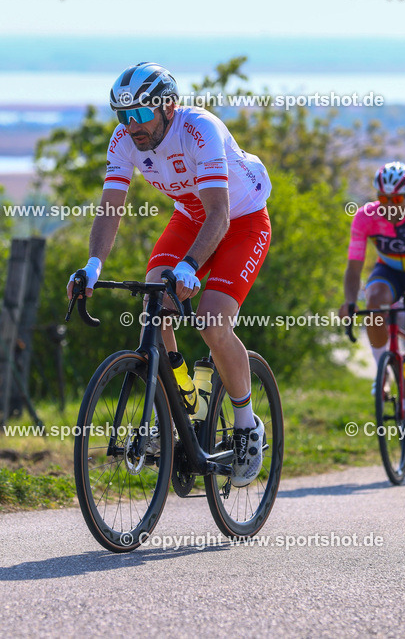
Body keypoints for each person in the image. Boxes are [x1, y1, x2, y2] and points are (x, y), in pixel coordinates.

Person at [67, 62, 272, 487]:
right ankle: (184, 394)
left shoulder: (200, 129)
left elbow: (220, 212)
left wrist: (191, 266)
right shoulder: (125, 140)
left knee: (213, 322)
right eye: (123, 115)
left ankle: (247, 425)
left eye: (141, 114)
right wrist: (92, 265)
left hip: (241, 219)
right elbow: (111, 207)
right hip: (191, 217)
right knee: (154, 303)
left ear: (167, 106)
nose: (132, 126)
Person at [339, 162, 405, 458]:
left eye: (397, 200)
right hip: (388, 272)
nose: (389, 206)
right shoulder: (365, 217)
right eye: (384, 199)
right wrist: (350, 301)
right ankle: (384, 371)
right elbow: (354, 268)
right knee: (372, 299)